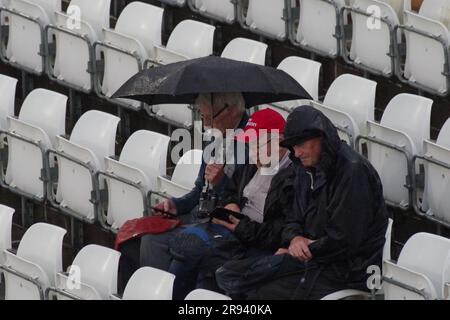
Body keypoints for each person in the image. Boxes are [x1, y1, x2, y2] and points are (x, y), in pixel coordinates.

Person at [216, 105, 389, 300]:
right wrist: (295, 239)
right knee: (228, 273)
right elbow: (292, 219)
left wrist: (301, 249)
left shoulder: (353, 172)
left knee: (256, 288)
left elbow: (344, 241)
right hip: (310, 257)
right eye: (293, 146)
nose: (296, 153)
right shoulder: (303, 167)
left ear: (320, 137)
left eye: (300, 145)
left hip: (347, 270)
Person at [117, 92, 249, 293]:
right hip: (200, 218)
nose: (205, 125)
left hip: (224, 228)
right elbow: (198, 190)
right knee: (141, 241)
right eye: (202, 117)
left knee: (159, 244)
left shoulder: (253, 145)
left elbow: (244, 201)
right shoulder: (215, 139)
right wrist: (176, 205)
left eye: (208, 117)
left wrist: (222, 182)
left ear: (230, 110)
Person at [167, 108, 296, 299]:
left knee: (192, 256)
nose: (252, 152)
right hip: (232, 232)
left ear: (280, 140)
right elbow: (231, 191)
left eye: (257, 145)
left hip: (254, 243)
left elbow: (283, 231)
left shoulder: (294, 178)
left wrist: (241, 226)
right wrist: (231, 205)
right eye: (249, 146)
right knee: (184, 255)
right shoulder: (253, 163)